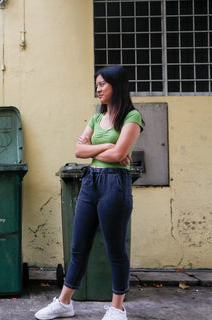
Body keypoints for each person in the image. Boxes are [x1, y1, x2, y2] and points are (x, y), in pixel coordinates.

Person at [35, 65, 143, 320]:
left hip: (114, 184)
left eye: (103, 84)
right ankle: (64, 303)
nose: (98, 88)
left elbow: (118, 156)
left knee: (115, 248)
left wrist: (98, 147)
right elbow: (78, 151)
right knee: (78, 247)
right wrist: (108, 144)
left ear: (117, 85)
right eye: (97, 84)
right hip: (90, 182)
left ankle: (117, 307)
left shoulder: (132, 117)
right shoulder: (96, 118)